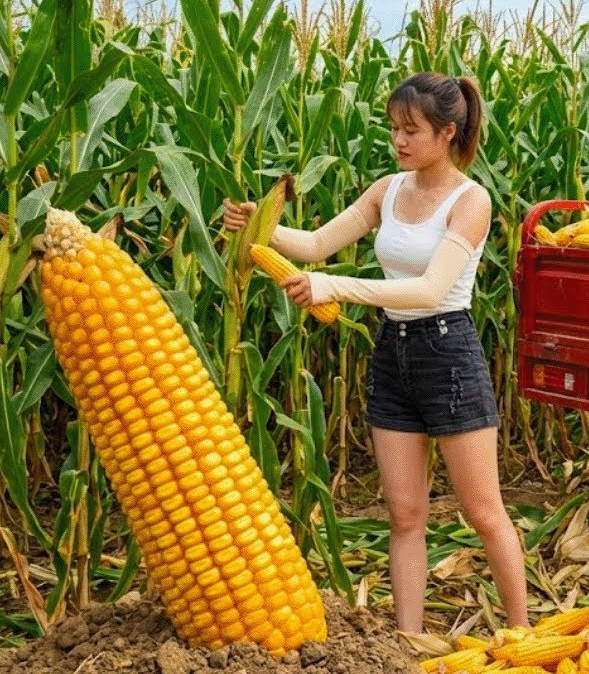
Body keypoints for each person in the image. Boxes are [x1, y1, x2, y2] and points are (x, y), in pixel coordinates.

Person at [222, 72, 530, 633]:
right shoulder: (387, 190)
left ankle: (523, 634)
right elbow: (316, 245)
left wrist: (336, 287)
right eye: (394, 129)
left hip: (448, 355)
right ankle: (408, 644)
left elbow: (430, 290)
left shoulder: (471, 200)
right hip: (394, 354)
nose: (399, 140)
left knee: (484, 513)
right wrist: (259, 227)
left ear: (448, 132)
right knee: (405, 513)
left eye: (411, 130)